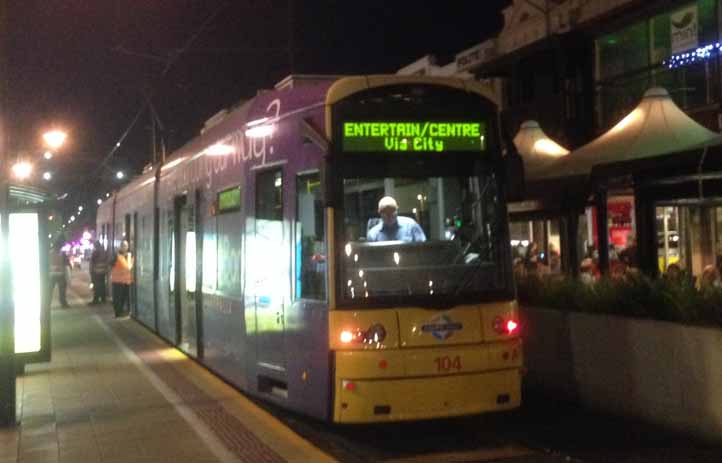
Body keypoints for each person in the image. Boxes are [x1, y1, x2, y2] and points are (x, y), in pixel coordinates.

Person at [110, 240, 133, 318]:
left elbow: (130, 267)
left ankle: (123, 311)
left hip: (127, 281)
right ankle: (118, 312)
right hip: (117, 281)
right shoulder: (116, 255)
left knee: (124, 298)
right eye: (123, 245)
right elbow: (110, 264)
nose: (125, 247)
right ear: (120, 246)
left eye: (126, 245)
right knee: (117, 298)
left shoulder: (130, 256)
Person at [48, 240, 70, 308]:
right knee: (62, 290)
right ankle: (63, 303)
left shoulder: (49, 253)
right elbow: (67, 263)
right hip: (60, 274)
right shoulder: (62, 253)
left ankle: (47, 304)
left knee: (49, 291)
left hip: (51, 275)